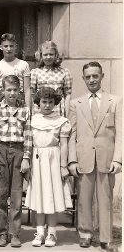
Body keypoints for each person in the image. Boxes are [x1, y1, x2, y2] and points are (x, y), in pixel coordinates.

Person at [68, 62, 122, 252]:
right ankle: (85, 234)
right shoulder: (75, 103)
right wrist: (72, 160)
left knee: (106, 199)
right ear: (83, 78)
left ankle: (106, 238)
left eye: (95, 76)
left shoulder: (115, 101)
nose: (91, 80)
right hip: (84, 158)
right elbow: (72, 134)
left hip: (106, 159)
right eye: (88, 77)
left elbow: (121, 133)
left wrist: (117, 159)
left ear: (102, 76)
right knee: (84, 199)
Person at [24, 87, 72, 247]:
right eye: (44, 102)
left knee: (51, 197)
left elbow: (64, 145)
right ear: (38, 103)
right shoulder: (33, 120)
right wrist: (28, 163)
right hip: (37, 161)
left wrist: (63, 166)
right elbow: (29, 144)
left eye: (51, 102)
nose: (47, 105)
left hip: (53, 161)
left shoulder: (61, 121)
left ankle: (52, 233)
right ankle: (39, 232)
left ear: (55, 103)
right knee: (39, 197)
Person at [0, 75, 32, 248]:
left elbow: (28, 135)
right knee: (0, 194)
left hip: (19, 151)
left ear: (20, 90)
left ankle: (14, 233)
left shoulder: (25, 110)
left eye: (15, 90)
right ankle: (2, 233)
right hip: (1, 150)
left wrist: (27, 157)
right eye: (8, 90)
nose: (12, 93)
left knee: (15, 194)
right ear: (2, 91)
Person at [30, 41, 72, 116]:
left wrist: (67, 115)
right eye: (45, 55)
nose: (48, 57)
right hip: (40, 111)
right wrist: (32, 114)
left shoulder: (65, 72)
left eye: (51, 54)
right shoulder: (35, 72)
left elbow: (67, 95)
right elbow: (32, 95)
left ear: (56, 55)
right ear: (41, 56)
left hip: (58, 111)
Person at [0, 33, 31, 108]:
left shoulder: (23, 64)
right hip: (1, 101)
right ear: (1, 47)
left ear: (16, 47)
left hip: (19, 100)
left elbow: (27, 90)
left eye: (11, 46)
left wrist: (28, 109)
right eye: (6, 46)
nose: (9, 49)